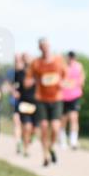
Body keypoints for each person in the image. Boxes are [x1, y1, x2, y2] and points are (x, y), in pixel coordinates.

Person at [28, 38, 66, 167]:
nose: (45, 48)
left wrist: (62, 83)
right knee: (44, 127)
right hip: (41, 99)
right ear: (39, 48)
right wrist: (32, 82)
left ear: (49, 46)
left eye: (46, 46)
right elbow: (27, 80)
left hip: (56, 98)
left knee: (55, 128)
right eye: (42, 46)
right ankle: (45, 155)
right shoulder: (36, 63)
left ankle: (51, 147)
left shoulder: (58, 61)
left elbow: (65, 76)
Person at [59, 51, 86, 150]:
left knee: (74, 118)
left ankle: (73, 141)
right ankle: (62, 140)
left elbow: (82, 79)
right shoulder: (62, 66)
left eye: (73, 58)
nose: (71, 59)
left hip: (75, 96)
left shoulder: (79, 66)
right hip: (63, 96)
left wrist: (77, 84)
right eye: (69, 58)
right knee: (63, 119)